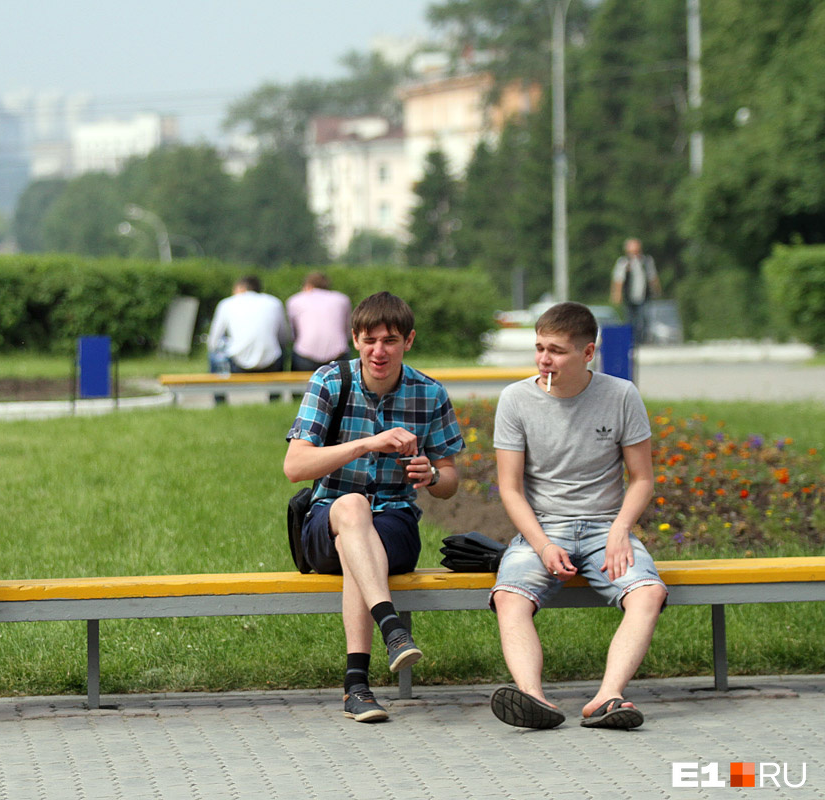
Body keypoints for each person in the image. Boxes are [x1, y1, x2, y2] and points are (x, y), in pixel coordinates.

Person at [284, 291, 464, 723]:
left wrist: (431, 476)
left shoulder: (429, 393)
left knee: (357, 545)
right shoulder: (330, 381)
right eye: (369, 340)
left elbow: (450, 481)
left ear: (409, 341)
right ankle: (391, 627)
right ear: (354, 339)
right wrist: (368, 443)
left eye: (390, 340)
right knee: (349, 509)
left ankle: (356, 688)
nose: (378, 351)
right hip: (324, 522)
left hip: (395, 524)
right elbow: (295, 466)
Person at [488, 301, 666, 731]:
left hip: (607, 526)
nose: (544, 358)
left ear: (588, 353)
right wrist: (543, 545)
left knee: (648, 594)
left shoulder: (621, 395)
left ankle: (608, 697)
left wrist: (621, 531)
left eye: (557, 350)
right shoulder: (515, 399)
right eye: (539, 347)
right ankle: (532, 698)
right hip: (543, 527)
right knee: (509, 596)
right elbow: (510, 489)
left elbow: (642, 479)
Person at [285, 272, 352, 372]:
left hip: (305, 357)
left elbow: (293, 334)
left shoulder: (295, 300)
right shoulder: (342, 299)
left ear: (308, 286)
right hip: (339, 356)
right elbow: (347, 333)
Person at [610, 238, 661, 345]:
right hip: (629, 297)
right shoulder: (623, 262)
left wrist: (656, 290)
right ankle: (632, 342)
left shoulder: (647, 261)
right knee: (630, 320)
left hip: (644, 296)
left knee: (644, 319)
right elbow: (618, 280)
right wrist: (617, 294)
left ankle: (643, 341)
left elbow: (652, 277)